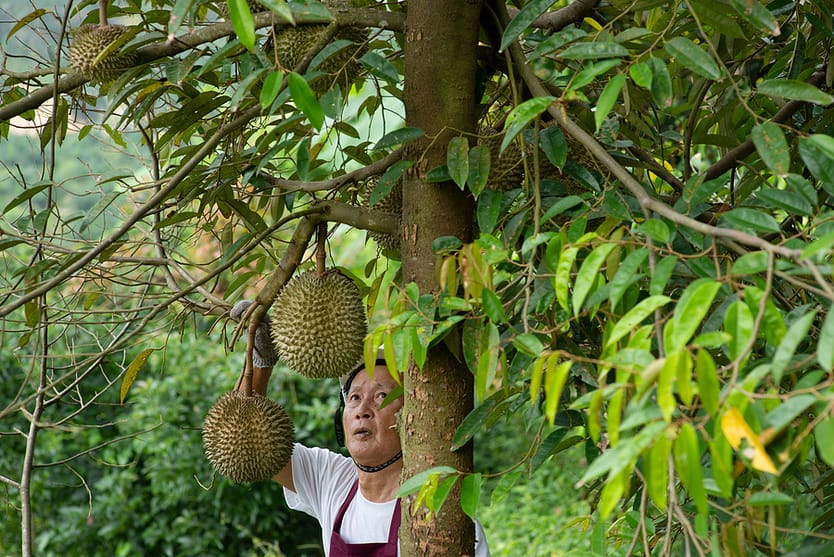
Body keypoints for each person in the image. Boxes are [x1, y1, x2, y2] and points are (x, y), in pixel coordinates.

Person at [230, 301, 489, 556]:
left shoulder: (443, 514)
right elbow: (246, 442)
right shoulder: (332, 479)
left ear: (410, 417)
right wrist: (260, 361)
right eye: (354, 397)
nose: (362, 409)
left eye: (381, 396)